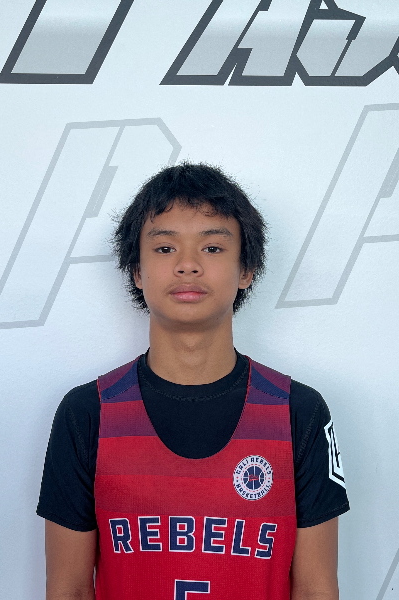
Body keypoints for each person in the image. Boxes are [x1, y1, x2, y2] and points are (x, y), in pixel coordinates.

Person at [37, 162, 349, 600]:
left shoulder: (300, 412)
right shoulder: (87, 414)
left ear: (246, 270)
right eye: (165, 248)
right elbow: (68, 589)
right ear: (137, 270)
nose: (187, 265)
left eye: (212, 248)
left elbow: (316, 589)